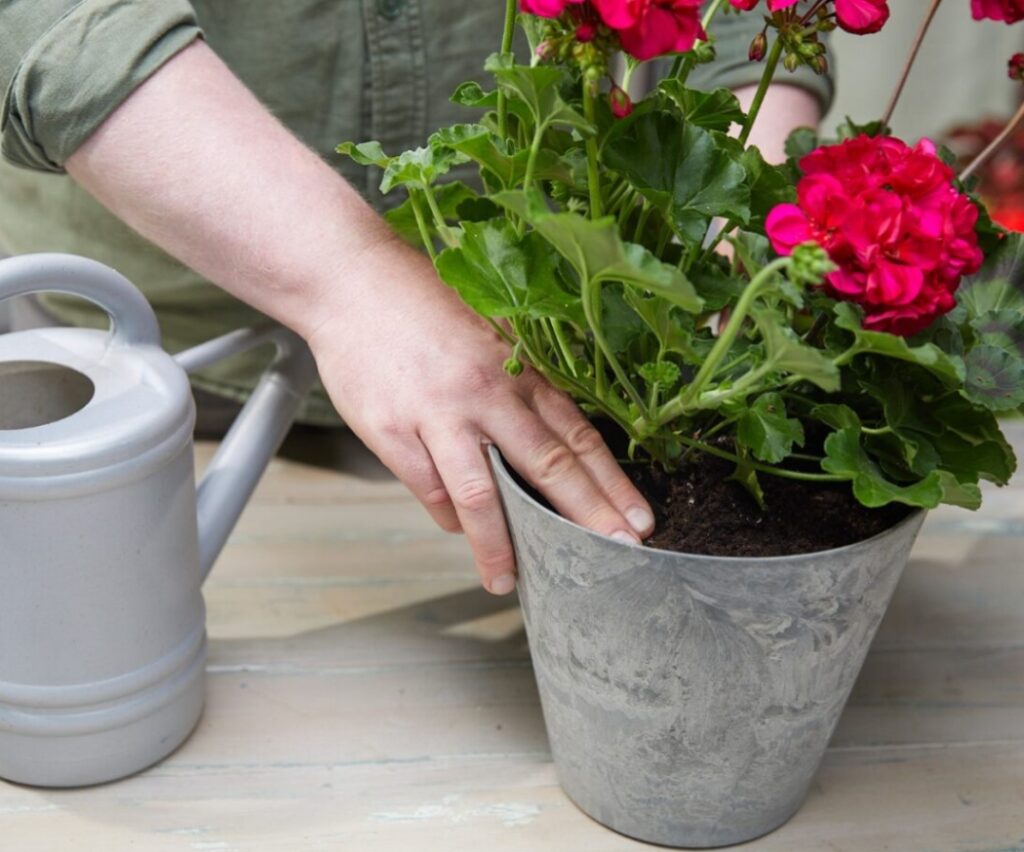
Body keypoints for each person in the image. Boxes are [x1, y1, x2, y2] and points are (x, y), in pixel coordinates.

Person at [0, 2, 830, 595]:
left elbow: (739, 21)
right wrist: (348, 280)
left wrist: (738, 236)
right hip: (146, 363)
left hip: (529, 360)